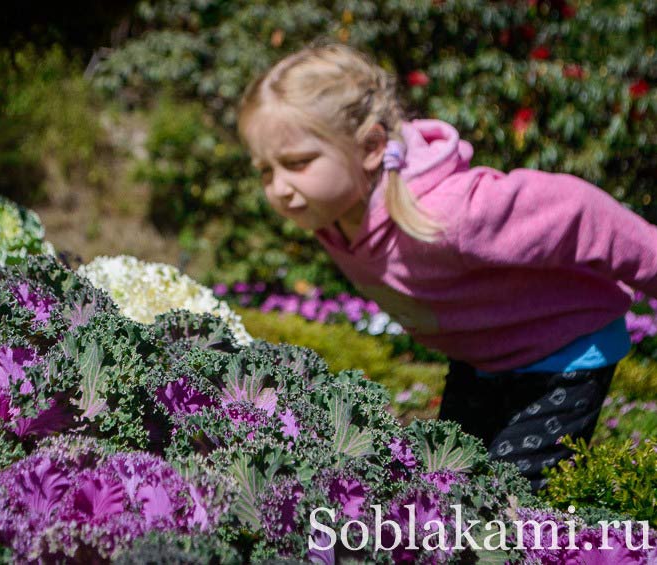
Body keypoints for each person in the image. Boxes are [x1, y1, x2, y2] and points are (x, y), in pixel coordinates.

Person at [236, 41, 657, 491]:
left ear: (372, 146)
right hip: (481, 361)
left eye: (297, 163)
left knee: (500, 506)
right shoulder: (332, 217)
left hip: (563, 354)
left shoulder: (452, 213)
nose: (278, 187)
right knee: (441, 489)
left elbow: (579, 212)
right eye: (265, 170)